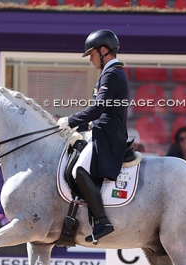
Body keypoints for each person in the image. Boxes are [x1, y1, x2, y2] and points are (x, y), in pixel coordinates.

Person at [57, 29, 129, 243]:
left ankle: (101, 221)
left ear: (103, 50)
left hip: (107, 136)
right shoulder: (109, 73)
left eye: (92, 54)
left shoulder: (112, 74)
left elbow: (99, 109)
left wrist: (70, 121)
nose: (90, 59)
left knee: (79, 169)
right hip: (100, 131)